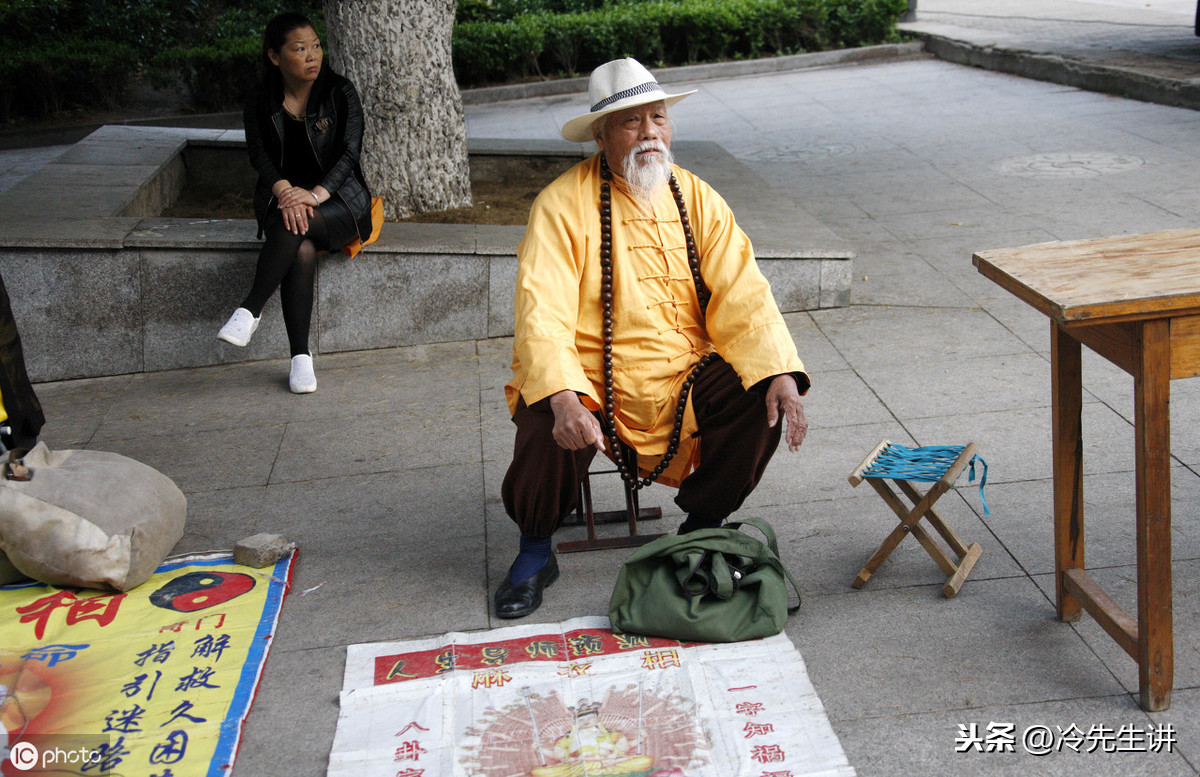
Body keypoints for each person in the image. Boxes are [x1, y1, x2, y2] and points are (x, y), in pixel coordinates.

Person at [495, 58, 810, 619]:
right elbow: (540, 314)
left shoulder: (698, 196)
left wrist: (779, 370)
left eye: (658, 118)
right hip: (591, 372)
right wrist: (565, 395)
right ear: (600, 134)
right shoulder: (561, 205)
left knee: (759, 392)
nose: (649, 134)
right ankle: (535, 549)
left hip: (682, 372)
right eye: (631, 122)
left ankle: (701, 527)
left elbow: (745, 292)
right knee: (546, 406)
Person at [217, 12, 374, 394]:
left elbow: (350, 154)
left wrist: (314, 194)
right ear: (275, 56)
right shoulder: (261, 98)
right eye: (299, 48)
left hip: (339, 202)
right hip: (282, 197)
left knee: (297, 225)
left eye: (316, 46)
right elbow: (258, 152)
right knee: (300, 246)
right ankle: (300, 360)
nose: (312, 56)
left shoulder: (340, 92)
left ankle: (251, 308)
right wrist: (286, 191)